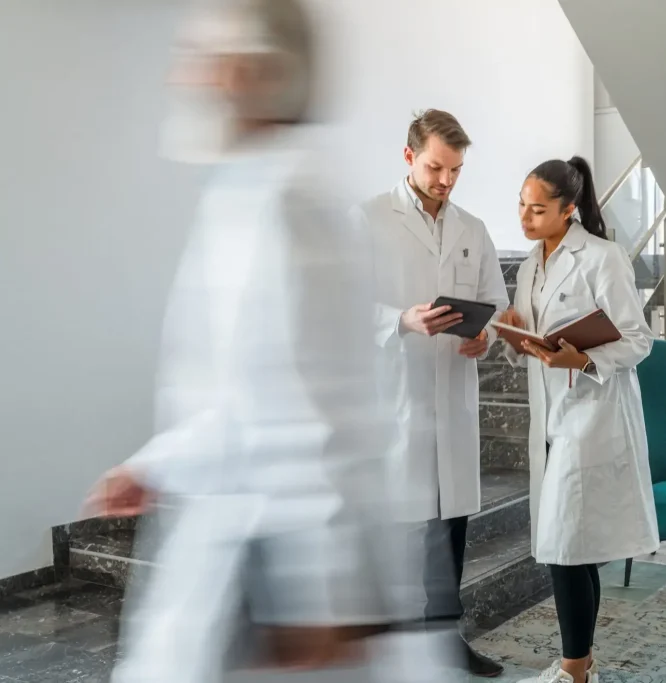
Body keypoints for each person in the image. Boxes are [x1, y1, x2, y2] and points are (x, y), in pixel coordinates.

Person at [85, 0, 422, 680]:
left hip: (280, 582)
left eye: (209, 59)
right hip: (244, 561)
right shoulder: (245, 191)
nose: (191, 76)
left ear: (255, 70)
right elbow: (238, 392)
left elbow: (316, 410)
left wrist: (322, 599)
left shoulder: (293, 196)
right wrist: (159, 462)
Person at [348, 109, 509, 677]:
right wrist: (400, 320)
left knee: (451, 526)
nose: (446, 180)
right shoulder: (367, 219)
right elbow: (341, 307)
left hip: (453, 397)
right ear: (410, 156)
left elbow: (493, 301)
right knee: (401, 530)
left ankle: (446, 641)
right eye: (437, 167)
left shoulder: (473, 228)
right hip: (399, 398)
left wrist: (483, 337)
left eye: (456, 170)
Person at [498, 157, 660, 683]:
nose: (525, 217)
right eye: (521, 206)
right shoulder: (529, 265)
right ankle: (581, 665)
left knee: (567, 547)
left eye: (537, 209)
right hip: (550, 418)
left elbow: (637, 340)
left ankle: (572, 672)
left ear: (568, 211)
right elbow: (533, 342)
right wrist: (515, 334)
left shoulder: (602, 257)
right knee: (572, 548)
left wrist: (583, 359)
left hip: (590, 419)